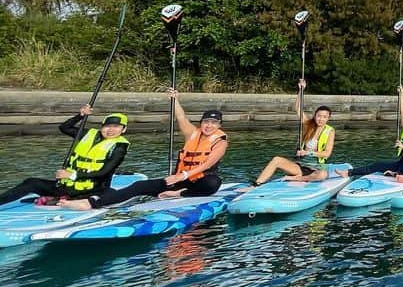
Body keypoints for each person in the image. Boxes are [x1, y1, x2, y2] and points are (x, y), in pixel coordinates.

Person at [61, 90, 226, 210]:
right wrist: (175, 100)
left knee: (213, 183)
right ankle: (91, 203)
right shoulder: (192, 133)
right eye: (206, 122)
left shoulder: (220, 141)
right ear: (202, 122)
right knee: (139, 185)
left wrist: (183, 175)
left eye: (213, 123)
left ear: (219, 125)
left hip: (199, 182)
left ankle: (177, 194)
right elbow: (181, 117)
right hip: (178, 180)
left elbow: (207, 164)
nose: (209, 126)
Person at [0, 104, 130, 205]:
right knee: (31, 183)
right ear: (102, 127)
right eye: (107, 126)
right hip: (66, 187)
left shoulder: (119, 147)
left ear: (123, 129)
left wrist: (72, 175)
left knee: (101, 193)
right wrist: (80, 115)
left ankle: (70, 201)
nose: (111, 130)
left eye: (116, 127)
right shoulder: (88, 134)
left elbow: (105, 172)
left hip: (91, 191)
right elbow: (64, 128)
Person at [338, 86, 403, 184]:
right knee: (378, 164)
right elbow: (402, 111)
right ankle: (348, 173)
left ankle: (396, 174)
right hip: (402, 161)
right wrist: (401, 94)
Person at [255, 80, 336, 184]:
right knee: (276, 159)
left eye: (324, 117)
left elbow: (326, 154)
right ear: (315, 115)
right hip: (300, 166)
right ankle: (256, 184)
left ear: (328, 118)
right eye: (319, 116)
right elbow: (297, 108)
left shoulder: (330, 131)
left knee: (323, 175)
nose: (321, 119)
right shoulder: (308, 124)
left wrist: (308, 153)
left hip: (316, 169)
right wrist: (301, 90)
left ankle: (297, 178)